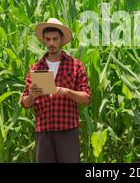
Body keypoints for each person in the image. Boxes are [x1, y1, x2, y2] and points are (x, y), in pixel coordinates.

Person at [19, 18, 91, 163]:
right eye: (48, 39)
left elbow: (86, 98)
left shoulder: (75, 66)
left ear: (62, 40)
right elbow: (25, 103)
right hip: (44, 131)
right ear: (44, 41)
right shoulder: (36, 68)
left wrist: (67, 92)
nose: (51, 43)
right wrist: (32, 95)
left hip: (67, 130)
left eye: (55, 39)